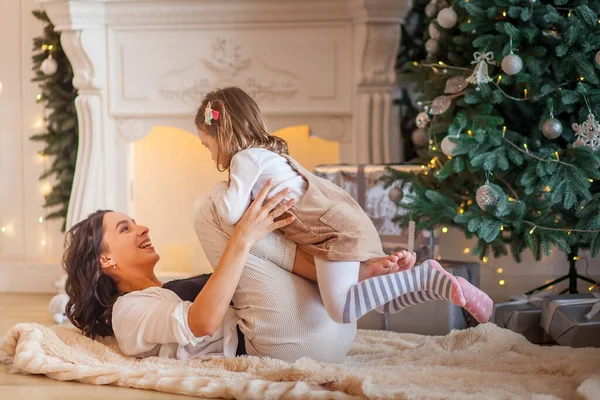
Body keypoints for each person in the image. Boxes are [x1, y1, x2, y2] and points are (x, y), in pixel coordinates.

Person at [195, 86, 493, 324]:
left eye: (207, 146)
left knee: (342, 310)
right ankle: (435, 285)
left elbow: (231, 212)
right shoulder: (267, 156)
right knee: (381, 301)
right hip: (332, 228)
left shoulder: (245, 159)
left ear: (222, 134)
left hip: (331, 233)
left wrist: (218, 188)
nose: (209, 156)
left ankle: (426, 275)